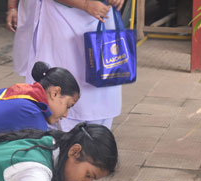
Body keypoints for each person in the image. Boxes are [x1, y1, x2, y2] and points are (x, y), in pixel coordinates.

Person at [7, 0, 125, 131]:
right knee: (65, 78)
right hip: (62, 20)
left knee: (101, 81)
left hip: (102, 17)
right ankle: (64, 134)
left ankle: (96, 137)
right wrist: (85, 4)